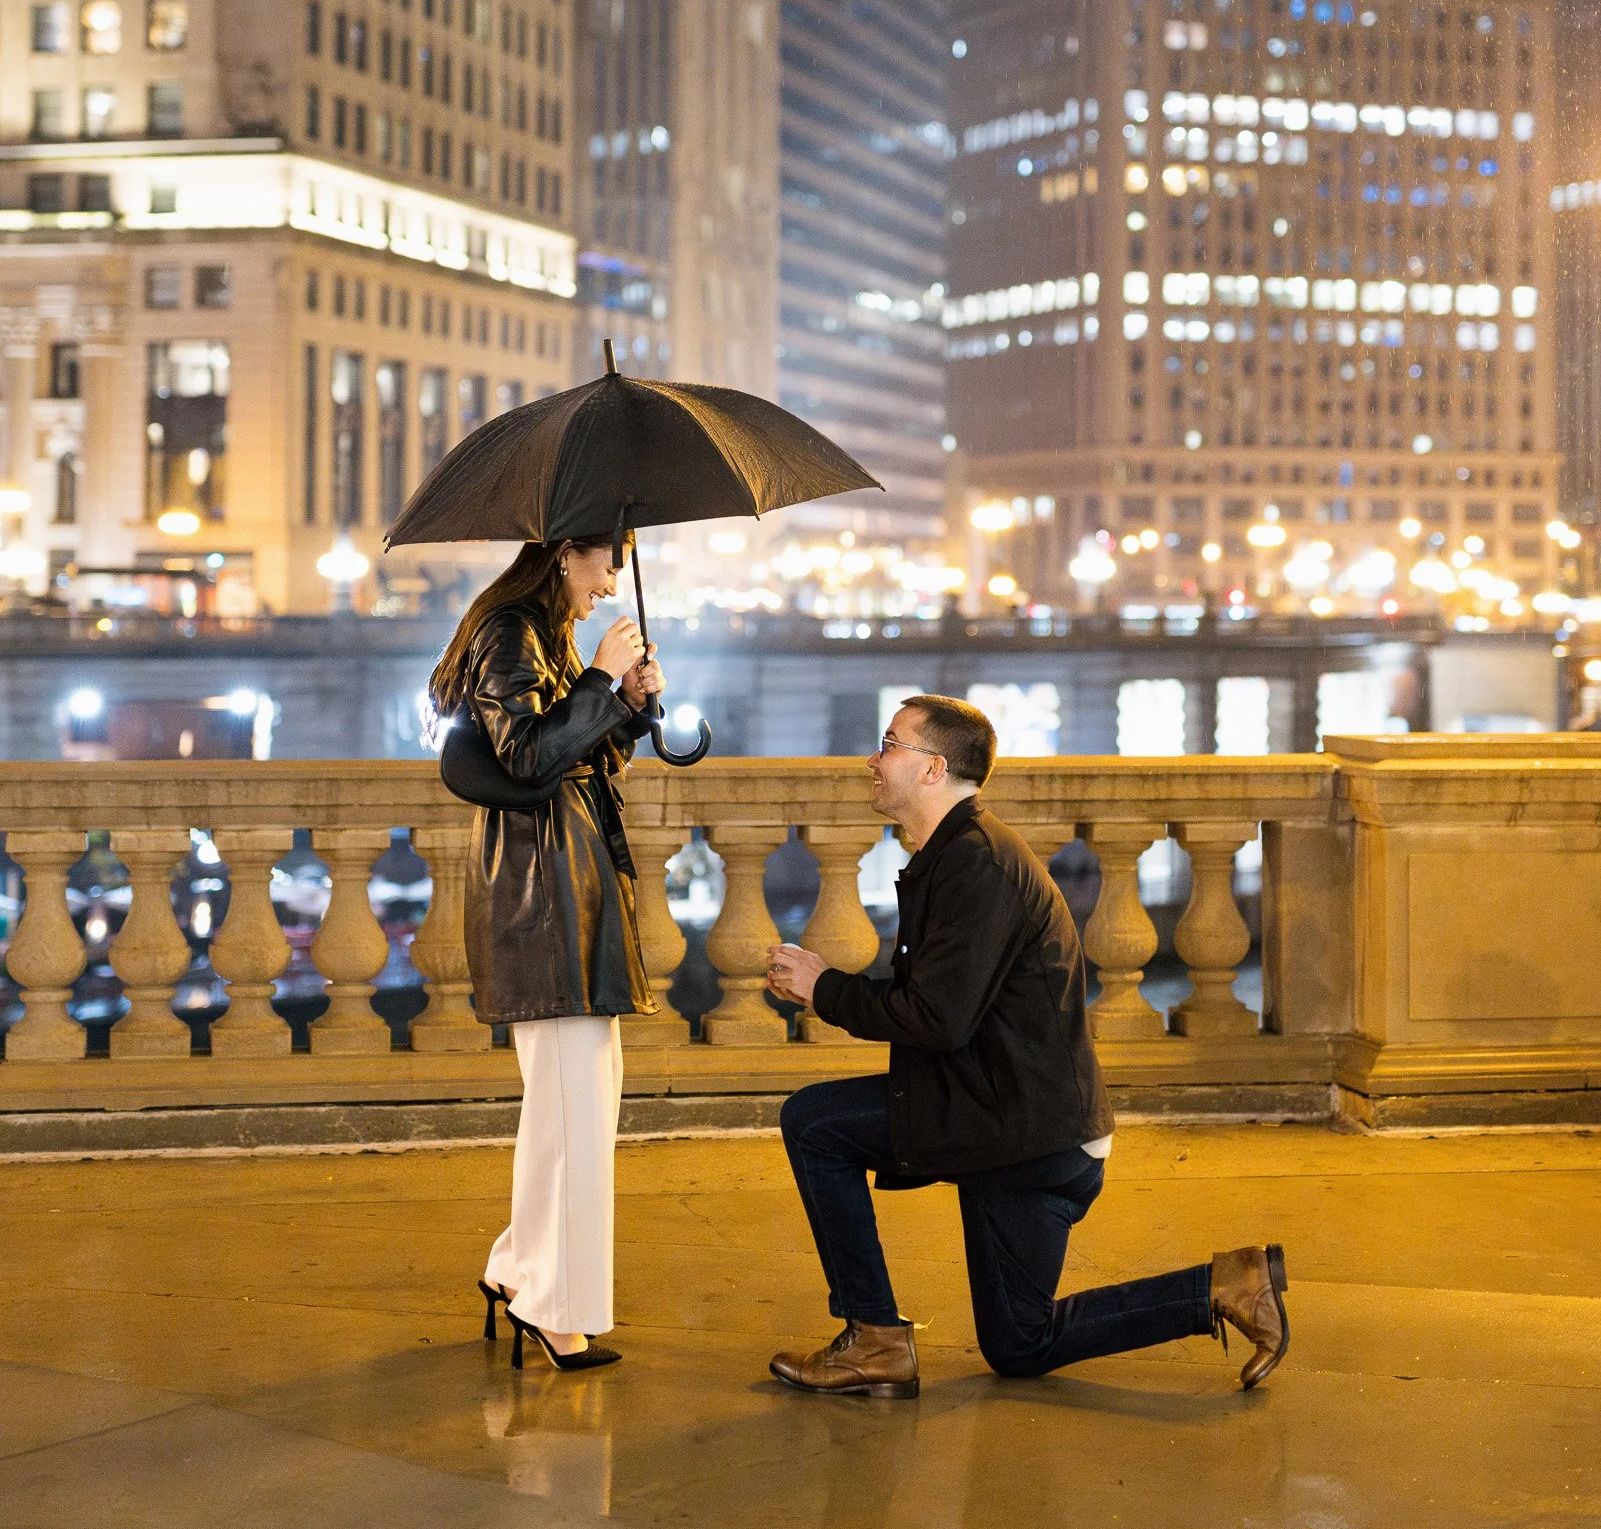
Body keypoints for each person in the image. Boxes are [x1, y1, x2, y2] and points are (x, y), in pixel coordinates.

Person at [764, 694, 1289, 1400]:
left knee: (816, 1124)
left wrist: (824, 987)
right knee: (1018, 1344)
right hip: (1000, 1117)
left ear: (931, 769)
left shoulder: (975, 864)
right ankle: (1225, 1286)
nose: (872, 758)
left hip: (1025, 1136)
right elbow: (945, 1010)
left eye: (888, 744)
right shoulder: (954, 854)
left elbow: (936, 1017)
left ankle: (876, 1338)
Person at [428, 535, 664, 1373]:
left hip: (570, 874)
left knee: (576, 1104)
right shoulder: (511, 631)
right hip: (544, 884)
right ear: (567, 554)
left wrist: (628, 707)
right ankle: (554, 1309)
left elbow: (581, 758)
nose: (609, 583)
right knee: (573, 1107)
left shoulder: (540, 635)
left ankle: (517, 1270)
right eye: (606, 563)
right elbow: (526, 754)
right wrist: (599, 678)